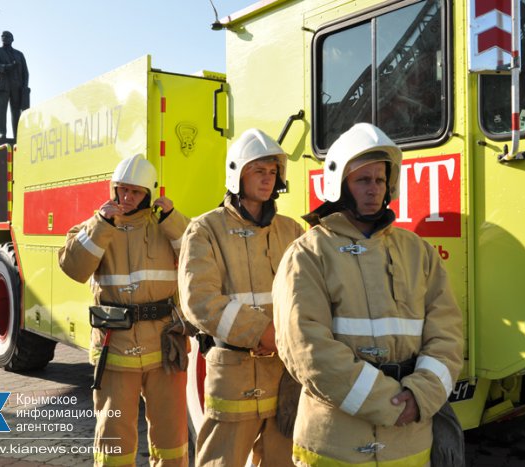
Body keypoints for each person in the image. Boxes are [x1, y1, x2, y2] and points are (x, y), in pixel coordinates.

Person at [272, 123, 464, 466]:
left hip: (410, 445)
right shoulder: (308, 254)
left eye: (379, 180)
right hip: (335, 446)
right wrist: (389, 403)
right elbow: (306, 348)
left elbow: (447, 333)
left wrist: (420, 396)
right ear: (339, 185)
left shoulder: (417, 251)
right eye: (363, 180)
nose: (374, 189)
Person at [179, 128, 304, 467]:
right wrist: (266, 333)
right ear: (237, 173)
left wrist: (284, 339)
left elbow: (309, 295)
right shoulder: (205, 229)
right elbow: (200, 301)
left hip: (285, 374)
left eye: (272, 171)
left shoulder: (292, 231)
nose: (267, 179)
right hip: (234, 376)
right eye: (258, 170)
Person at [58, 154, 190, 466]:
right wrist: (101, 225)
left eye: (135, 192)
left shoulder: (166, 226)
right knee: (114, 436)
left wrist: (172, 219)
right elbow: (74, 268)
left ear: (149, 194)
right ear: (113, 190)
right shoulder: (95, 226)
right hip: (115, 346)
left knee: (171, 437)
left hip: (164, 347)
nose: (127, 197)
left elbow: (197, 260)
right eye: (122, 190)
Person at [0, 30, 29, 139]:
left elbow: (25, 72)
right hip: (2, 84)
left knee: (16, 112)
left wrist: (25, 86)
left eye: (7, 36)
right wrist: (7, 67)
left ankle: (17, 135)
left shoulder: (19, 54)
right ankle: (2, 133)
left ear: (12, 39)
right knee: (1, 110)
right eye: (3, 36)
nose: (5, 37)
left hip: (17, 86)